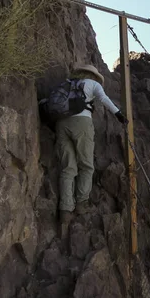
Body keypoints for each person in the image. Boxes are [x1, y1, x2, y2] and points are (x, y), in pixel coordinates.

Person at [56, 64, 127, 230]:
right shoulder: (93, 84)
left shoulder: (68, 84)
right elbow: (104, 99)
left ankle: (65, 211)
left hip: (61, 123)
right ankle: (81, 204)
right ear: (94, 75)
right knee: (86, 166)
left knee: (68, 167)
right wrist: (119, 115)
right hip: (81, 124)